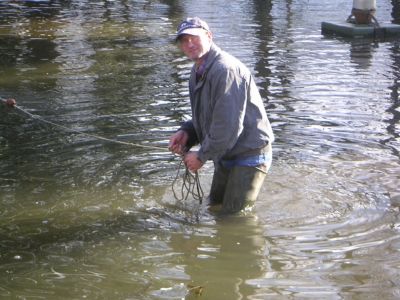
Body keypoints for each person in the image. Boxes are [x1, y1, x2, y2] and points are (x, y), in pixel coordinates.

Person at [169, 17, 274, 214]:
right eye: (184, 40)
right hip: (226, 151)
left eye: (194, 37)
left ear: (209, 36)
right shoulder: (197, 71)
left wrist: (201, 155)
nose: (189, 43)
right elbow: (207, 115)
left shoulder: (225, 70)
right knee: (213, 208)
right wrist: (187, 133)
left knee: (232, 218)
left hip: (249, 154)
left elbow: (228, 126)